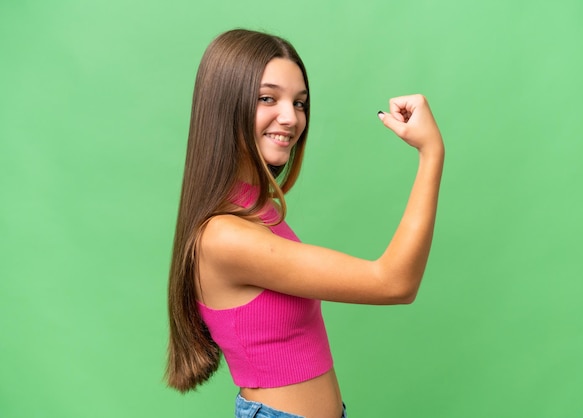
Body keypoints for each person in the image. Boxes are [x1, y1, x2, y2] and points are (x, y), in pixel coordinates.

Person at [166, 29, 445, 418]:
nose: (291, 117)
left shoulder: (254, 209)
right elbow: (394, 282)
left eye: (299, 103)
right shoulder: (224, 235)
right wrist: (431, 153)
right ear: (223, 105)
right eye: (268, 98)